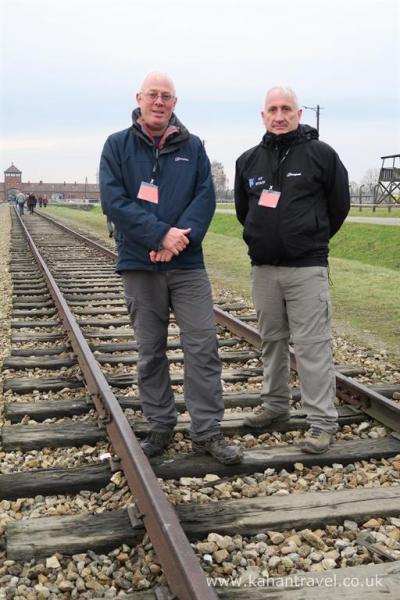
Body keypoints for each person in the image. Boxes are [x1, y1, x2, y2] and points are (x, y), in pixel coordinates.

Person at [100, 71, 242, 465]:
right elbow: (114, 201)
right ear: (139, 99)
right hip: (140, 263)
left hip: (187, 263)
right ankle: (160, 425)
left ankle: (207, 430)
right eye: (153, 95)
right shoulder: (116, 146)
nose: (159, 101)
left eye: (166, 96)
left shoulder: (193, 147)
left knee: (202, 347)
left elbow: (204, 200)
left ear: (174, 104)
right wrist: (159, 236)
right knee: (150, 351)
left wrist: (177, 241)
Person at [235, 86, 350, 454]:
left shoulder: (322, 156)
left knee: (312, 346)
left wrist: (309, 237)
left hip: (306, 269)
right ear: (263, 115)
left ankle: (321, 421)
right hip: (264, 270)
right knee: (272, 341)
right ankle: (275, 405)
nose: (280, 115)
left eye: (286, 108)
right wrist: (264, 238)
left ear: (298, 113)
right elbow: (244, 212)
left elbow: (339, 207)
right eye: (273, 109)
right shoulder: (248, 161)